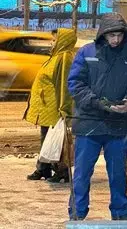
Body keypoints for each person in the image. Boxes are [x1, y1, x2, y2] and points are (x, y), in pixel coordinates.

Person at [67, 13, 127, 221]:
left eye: (119, 35)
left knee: (118, 172)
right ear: (103, 34)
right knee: (82, 173)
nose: (116, 40)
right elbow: (75, 84)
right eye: (112, 35)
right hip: (88, 122)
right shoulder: (86, 53)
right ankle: (77, 213)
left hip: (118, 124)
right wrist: (95, 102)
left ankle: (120, 212)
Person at [24, 28, 77, 183]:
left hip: (55, 107)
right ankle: (43, 168)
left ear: (62, 41)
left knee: (57, 140)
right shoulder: (55, 56)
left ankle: (61, 171)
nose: (51, 43)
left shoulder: (64, 57)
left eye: (54, 40)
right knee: (46, 138)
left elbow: (63, 85)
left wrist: (64, 109)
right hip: (46, 107)